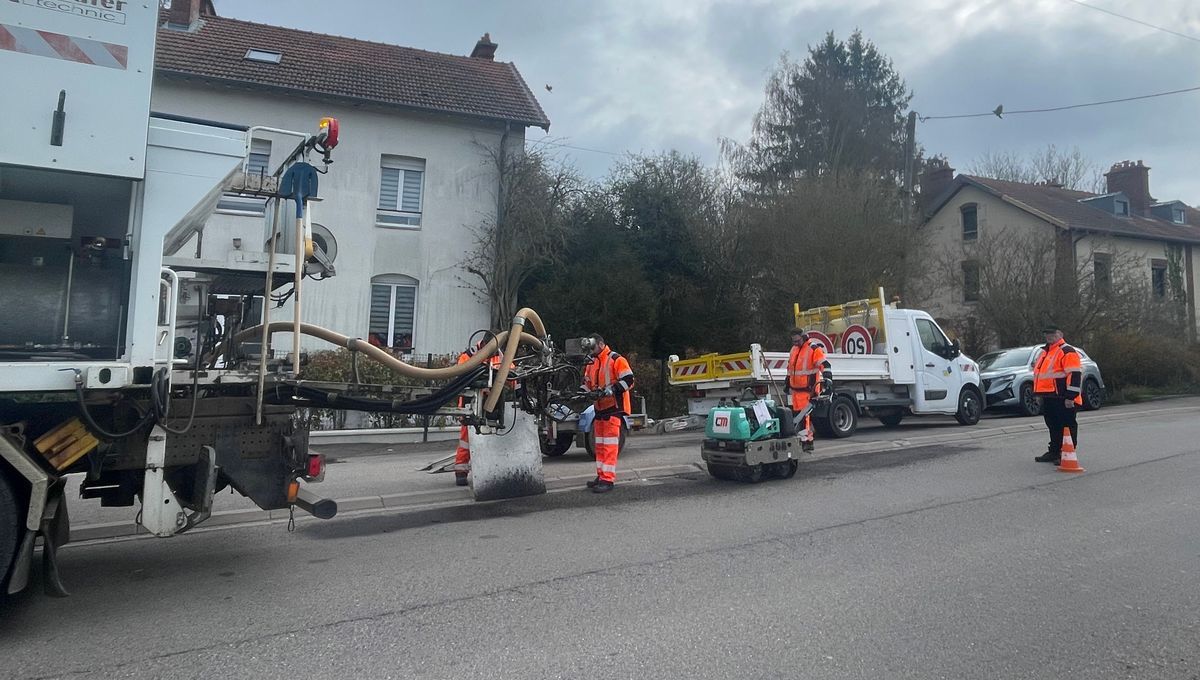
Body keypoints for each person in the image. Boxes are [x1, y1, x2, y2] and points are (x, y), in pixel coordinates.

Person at [582, 333, 635, 493]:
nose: (590, 350)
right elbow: (587, 383)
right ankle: (602, 475)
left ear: (600, 343)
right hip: (599, 409)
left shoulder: (616, 359)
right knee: (600, 446)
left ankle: (608, 479)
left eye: (592, 347)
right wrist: (581, 393)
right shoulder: (591, 363)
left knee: (610, 446)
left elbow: (629, 380)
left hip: (613, 408)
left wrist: (612, 389)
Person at [1032, 325, 1083, 465]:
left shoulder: (1067, 351)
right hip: (1049, 396)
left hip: (1063, 397)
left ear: (1060, 334)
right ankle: (1054, 451)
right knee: (1053, 425)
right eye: (1047, 334)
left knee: (1066, 425)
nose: (1049, 336)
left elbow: (1074, 374)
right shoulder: (1045, 352)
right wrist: (1038, 393)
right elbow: (1040, 375)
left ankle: (1067, 453)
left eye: (1052, 334)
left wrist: (1070, 396)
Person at [786, 328, 830, 452]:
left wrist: (828, 379)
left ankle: (807, 442)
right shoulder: (794, 349)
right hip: (796, 390)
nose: (796, 343)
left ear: (804, 337)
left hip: (808, 390)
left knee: (804, 417)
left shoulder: (813, 348)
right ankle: (802, 440)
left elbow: (825, 365)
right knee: (797, 417)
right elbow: (790, 367)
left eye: (797, 341)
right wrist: (787, 380)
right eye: (793, 341)